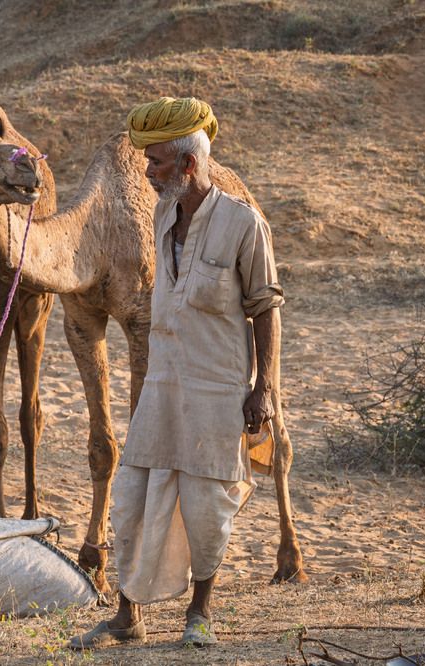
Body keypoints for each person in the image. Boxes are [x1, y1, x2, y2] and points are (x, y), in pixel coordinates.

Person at [67, 97, 284, 649]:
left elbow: (266, 309)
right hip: (161, 382)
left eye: (157, 162)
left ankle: (200, 613)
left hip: (217, 386)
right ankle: (127, 616)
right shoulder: (164, 214)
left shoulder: (244, 225)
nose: (147, 171)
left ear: (188, 164)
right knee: (134, 499)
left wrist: (263, 389)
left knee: (206, 508)